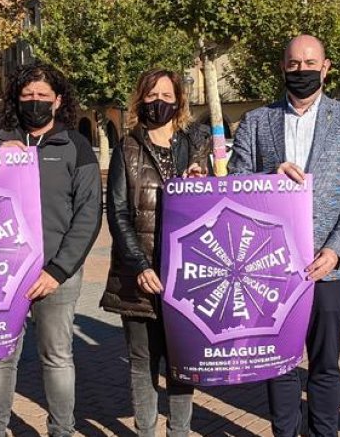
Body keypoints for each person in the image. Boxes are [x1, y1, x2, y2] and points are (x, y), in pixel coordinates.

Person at [228, 34, 340, 437]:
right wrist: (267, 176)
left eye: (310, 64)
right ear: (282, 68)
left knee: (326, 363)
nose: (302, 71)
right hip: (272, 265)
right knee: (280, 360)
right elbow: (236, 183)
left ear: (325, 68)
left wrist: (336, 250)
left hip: (329, 266)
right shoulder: (256, 122)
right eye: (294, 64)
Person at [0, 62, 102, 437]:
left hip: (56, 274)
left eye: (42, 96)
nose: (35, 102)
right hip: (2, 273)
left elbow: (88, 213)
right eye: (28, 95)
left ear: (57, 100)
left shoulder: (75, 145)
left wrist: (58, 271)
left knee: (58, 357)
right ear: (17, 98)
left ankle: (61, 430)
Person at [100, 69, 211, 437]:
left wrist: (204, 176)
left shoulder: (193, 144)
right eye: (151, 95)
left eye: (166, 94)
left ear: (179, 99)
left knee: (183, 359)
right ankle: (145, 431)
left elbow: (218, 195)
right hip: (140, 275)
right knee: (142, 362)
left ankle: (179, 431)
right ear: (139, 100)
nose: (158, 102)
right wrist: (140, 265)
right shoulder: (127, 147)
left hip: (186, 276)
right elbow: (116, 212)